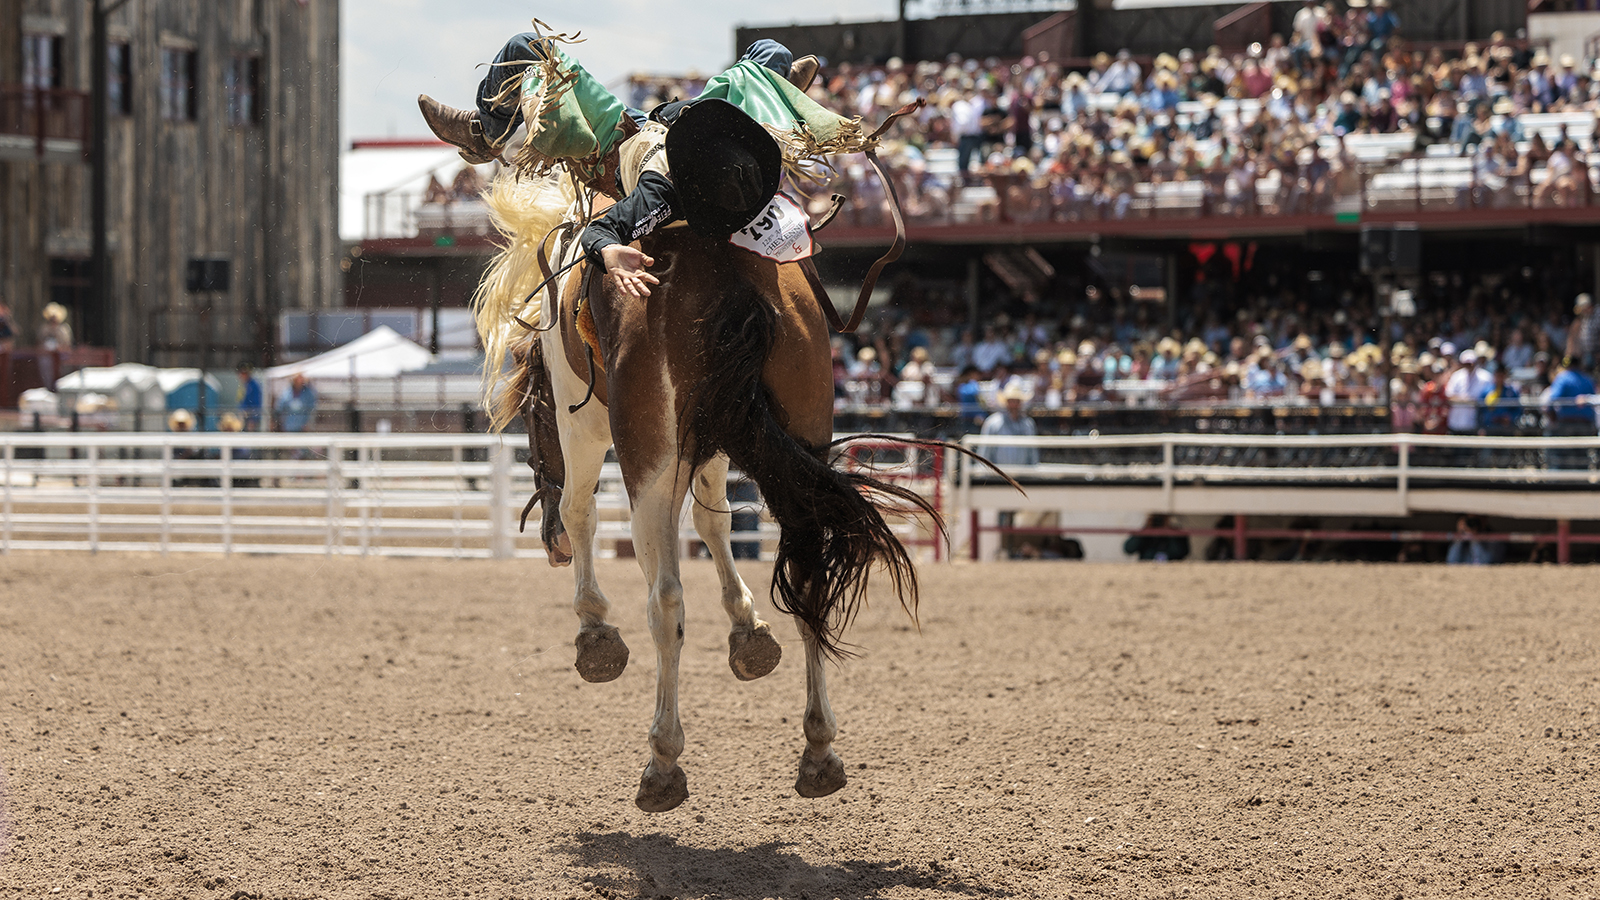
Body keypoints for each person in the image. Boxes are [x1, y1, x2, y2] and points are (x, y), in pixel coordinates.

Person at [978, 385, 1040, 468]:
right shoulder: (993, 423)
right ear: (1006, 402)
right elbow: (985, 451)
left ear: (1020, 403)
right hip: (998, 477)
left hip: (1023, 475)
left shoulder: (1028, 424)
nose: (1014, 405)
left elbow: (1032, 452)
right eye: (1011, 401)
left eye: (1016, 401)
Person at [1124, 513, 1191, 561]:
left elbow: (1180, 551)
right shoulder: (1145, 534)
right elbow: (1129, 549)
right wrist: (1146, 529)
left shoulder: (1177, 533)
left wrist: (1169, 530)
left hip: (1171, 571)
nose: (1159, 521)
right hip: (1146, 570)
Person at [236, 363, 263, 431]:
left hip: (250, 417)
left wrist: (253, 419)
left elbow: (255, 403)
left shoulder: (254, 385)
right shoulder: (244, 385)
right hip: (245, 416)